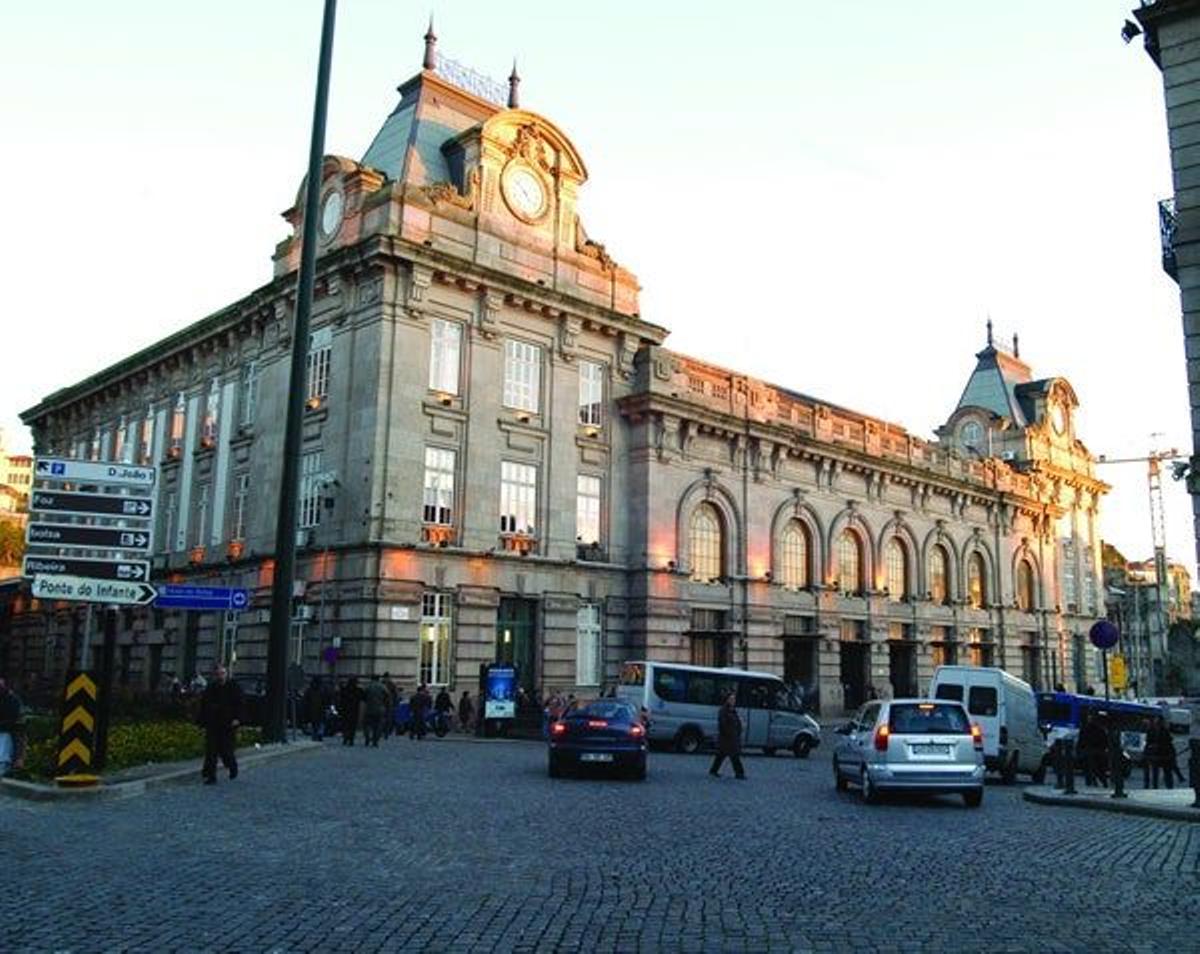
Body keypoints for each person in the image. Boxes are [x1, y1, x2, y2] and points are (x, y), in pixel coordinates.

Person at [198, 665, 243, 785]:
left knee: (226, 751)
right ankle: (211, 776)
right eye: (218, 674)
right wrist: (202, 722)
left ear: (227, 674)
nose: (220, 676)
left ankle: (232, 766)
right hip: (213, 723)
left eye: (222, 673)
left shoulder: (234, 687)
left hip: (228, 724)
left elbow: (240, 704)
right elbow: (204, 705)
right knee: (211, 751)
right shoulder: (211, 687)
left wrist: (237, 718)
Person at [709, 691, 746, 780]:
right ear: (727, 700)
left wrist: (738, 730)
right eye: (731, 699)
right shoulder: (723, 711)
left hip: (732, 737)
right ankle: (739, 773)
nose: (733, 701)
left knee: (721, 755)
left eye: (734, 699)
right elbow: (723, 724)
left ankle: (714, 770)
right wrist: (730, 733)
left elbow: (737, 722)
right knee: (734, 756)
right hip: (727, 737)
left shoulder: (733, 711)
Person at [0, 678, 25, 776]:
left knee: (3, 762)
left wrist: (19, 757)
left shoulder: (13, 700)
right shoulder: (12, 699)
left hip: (7, 734)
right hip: (6, 733)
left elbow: (17, 726)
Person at [1077, 712, 1109, 788]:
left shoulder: (1085, 729)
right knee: (1099, 771)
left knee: (1089, 770)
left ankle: (1091, 783)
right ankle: (1103, 784)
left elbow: (1081, 741)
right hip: (1097, 752)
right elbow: (1105, 742)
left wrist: (1079, 750)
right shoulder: (1101, 729)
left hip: (1088, 752)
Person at [1145, 716, 1176, 790]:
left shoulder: (1155, 730)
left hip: (1161, 754)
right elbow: (1169, 741)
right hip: (1161, 754)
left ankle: (1161, 786)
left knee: (1161, 772)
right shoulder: (1163, 730)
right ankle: (1163, 786)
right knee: (1163, 772)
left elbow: (1148, 741)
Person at [363, 675, 390, 747]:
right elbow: (387, 697)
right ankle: (375, 740)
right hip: (380, 708)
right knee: (378, 725)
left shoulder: (367, 686)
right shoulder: (383, 687)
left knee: (366, 725)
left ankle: (367, 738)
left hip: (369, 708)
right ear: (378, 679)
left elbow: (363, 697)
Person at [338, 677, 363, 746]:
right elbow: (363, 697)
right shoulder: (358, 690)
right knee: (352, 726)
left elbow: (340, 697)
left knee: (345, 725)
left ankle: (345, 738)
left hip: (345, 710)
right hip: (354, 710)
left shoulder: (345, 689)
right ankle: (351, 739)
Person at [302, 676, 326, 741]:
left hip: (313, 711)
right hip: (317, 711)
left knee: (315, 724)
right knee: (318, 724)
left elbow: (305, 701)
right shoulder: (321, 691)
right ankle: (317, 735)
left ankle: (316, 735)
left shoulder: (310, 691)